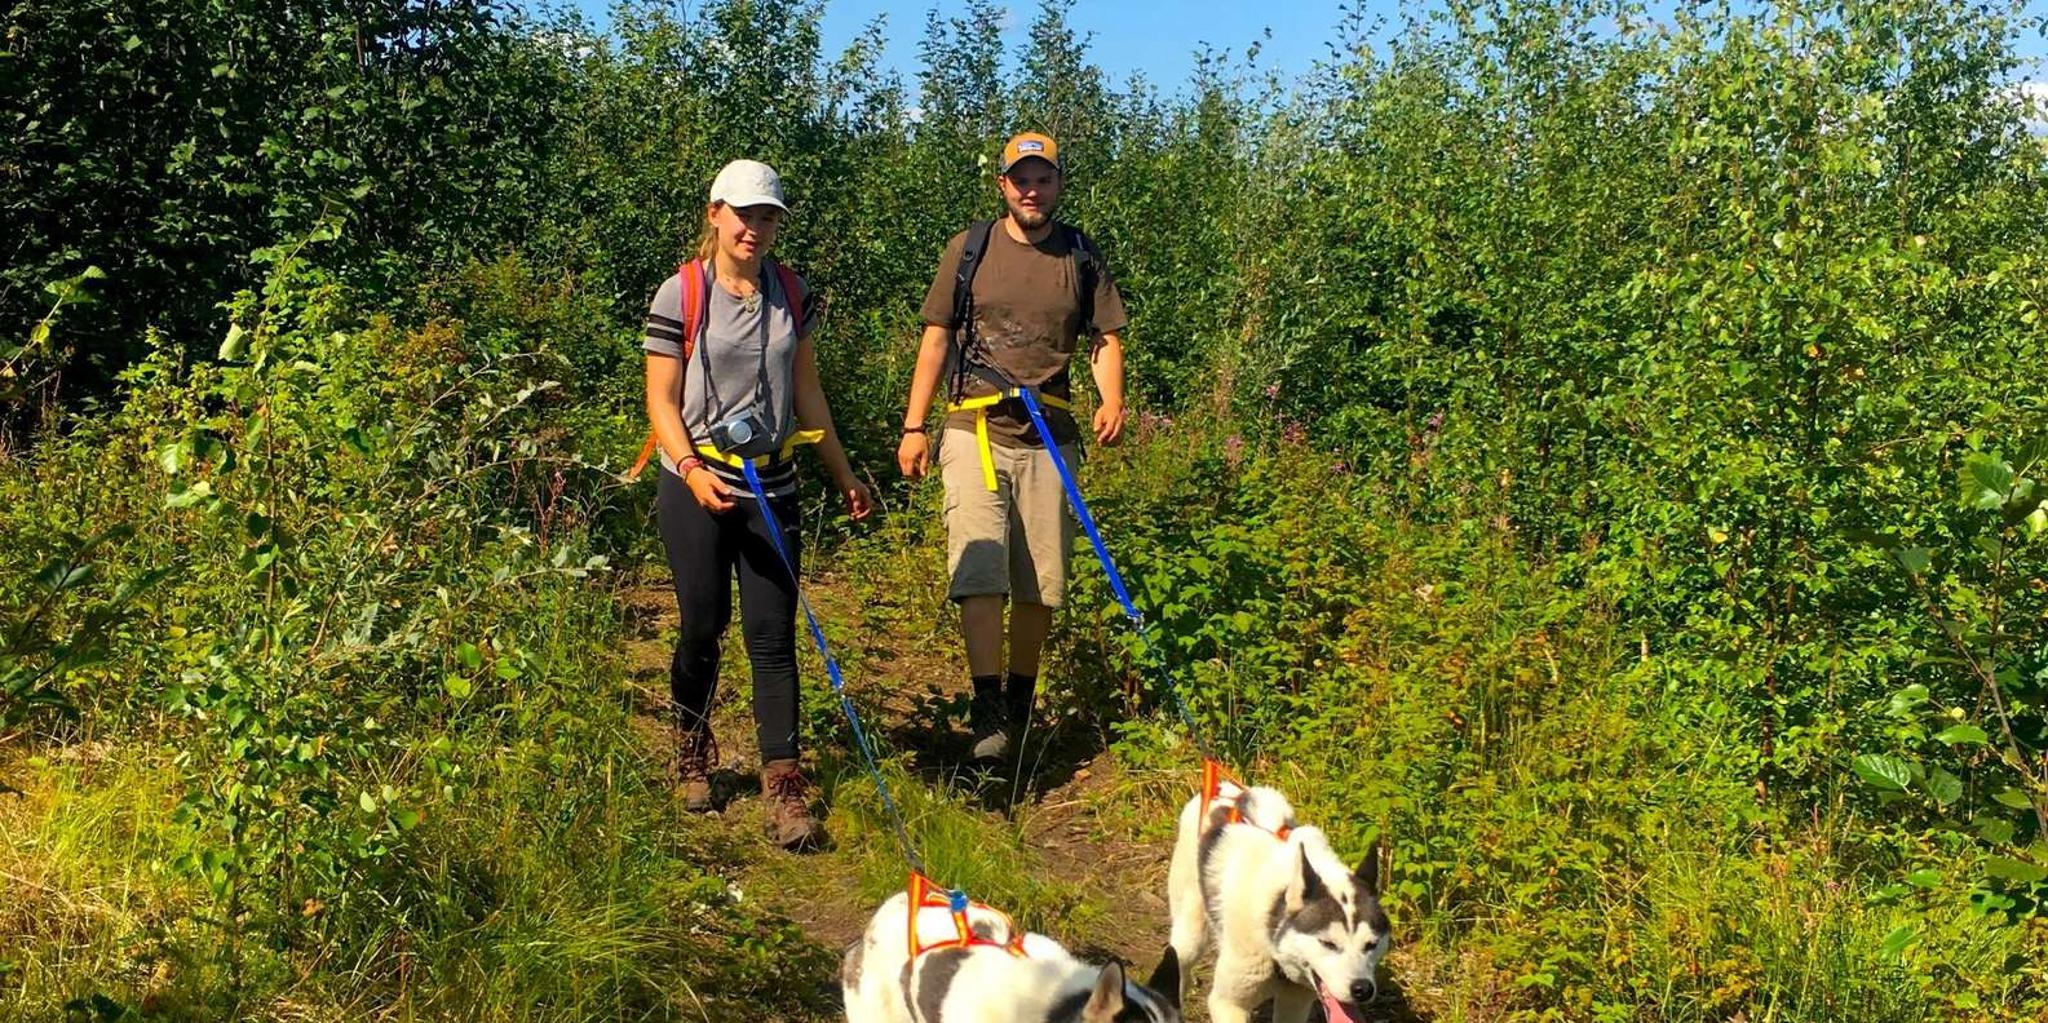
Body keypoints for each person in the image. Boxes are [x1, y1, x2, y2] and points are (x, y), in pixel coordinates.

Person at [643, 158, 872, 848]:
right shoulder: (679, 293)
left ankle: (784, 788)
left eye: (767, 215)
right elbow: (660, 398)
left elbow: (807, 390)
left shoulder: (789, 292)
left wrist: (844, 473)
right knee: (702, 626)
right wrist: (688, 467)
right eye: (744, 213)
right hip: (698, 482)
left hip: (773, 482)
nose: (755, 227)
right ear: (714, 213)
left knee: (773, 637)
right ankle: (691, 749)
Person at [896, 132, 1129, 763]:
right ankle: (987, 703)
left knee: (1041, 579)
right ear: (1002, 184)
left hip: (1051, 435)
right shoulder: (970, 248)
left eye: (1043, 179)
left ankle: (1021, 702)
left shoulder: (1079, 254)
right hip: (974, 429)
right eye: (1021, 179)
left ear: (1057, 184)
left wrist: (1112, 399)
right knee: (980, 569)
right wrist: (914, 425)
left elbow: (1105, 339)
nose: (1032, 189)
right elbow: (937, 338)